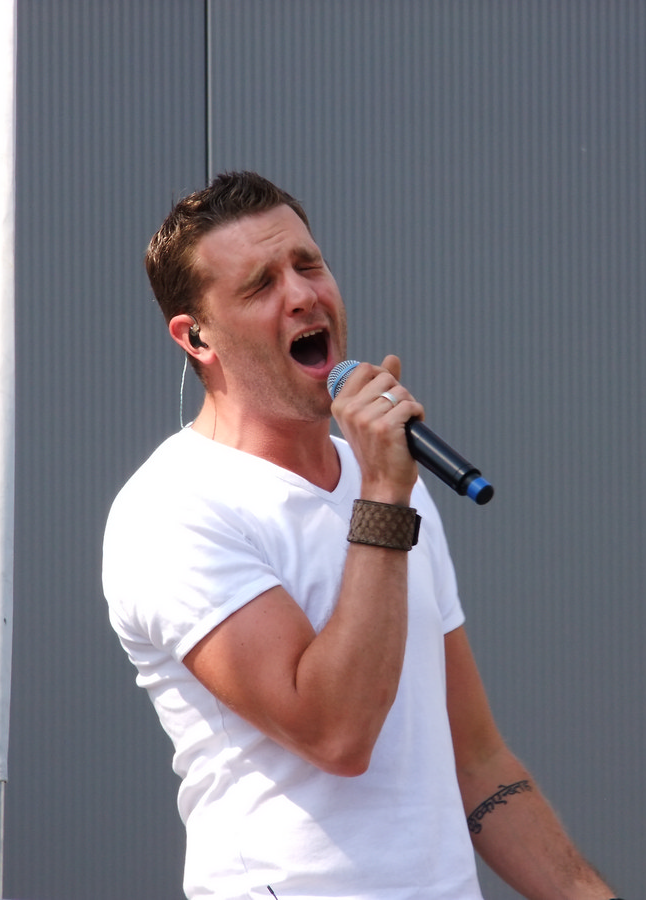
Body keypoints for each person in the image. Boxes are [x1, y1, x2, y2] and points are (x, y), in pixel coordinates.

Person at [103, 171, 617, 900]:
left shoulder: (387, 480)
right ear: (197, 336)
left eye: (308, 264)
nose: (302, 295)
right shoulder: (174, 509)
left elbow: (476, 762)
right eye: (260, 285)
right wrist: (382, 494)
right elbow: (335, 734)